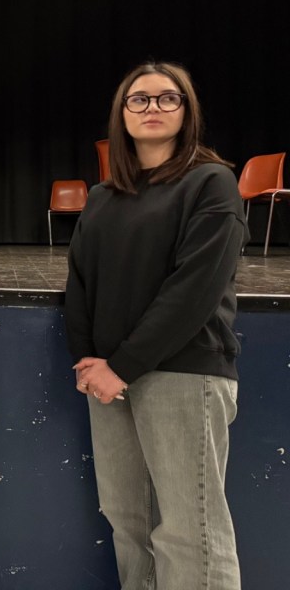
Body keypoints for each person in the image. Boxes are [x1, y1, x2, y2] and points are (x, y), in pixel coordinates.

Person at [66, 61, 246, 589]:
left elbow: (194, 291)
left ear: (187, 111)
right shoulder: (103, 197)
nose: (153, 108)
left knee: (191, 534)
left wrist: (121, 365)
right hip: (109, 381)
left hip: (181, 374)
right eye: (139, 99)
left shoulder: (211, 183)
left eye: (168, 98)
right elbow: (80, 281)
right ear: (121, 114)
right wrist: (89, 359)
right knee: (129, 525)